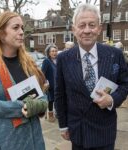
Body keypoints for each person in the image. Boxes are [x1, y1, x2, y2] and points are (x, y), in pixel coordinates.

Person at [55, 4, 128, 150]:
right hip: (77, 131)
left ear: (99, 28)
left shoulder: (115, 55)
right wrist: (63, 125)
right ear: (74, 30)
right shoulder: (63, 58)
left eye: (92, 25)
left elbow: (125, 84)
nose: (87, 30)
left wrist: (112, 99)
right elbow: (60, 94)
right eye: (82, 25)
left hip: (105, 131)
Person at [0, 11, 48, 150]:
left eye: (22, 27)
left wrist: (41, 104)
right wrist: (20, 107)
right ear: (0, 33)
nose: (22, 32)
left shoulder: (28, 62)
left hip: (33, 140)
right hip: (3, 140)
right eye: (15, 28)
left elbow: (41, 94)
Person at [41, 44, 58, 122]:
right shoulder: (46, 61)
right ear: (48, 52)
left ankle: (57, 113)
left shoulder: (58, 60)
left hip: (58, 84)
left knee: (57, 99)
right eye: (52, 51)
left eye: (55, 51)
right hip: (50, 84)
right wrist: (45, 82)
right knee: (51, 100)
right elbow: (42, 73)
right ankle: (50, 115)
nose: (54, 53)